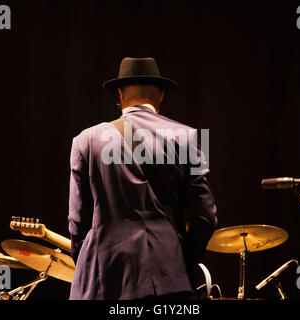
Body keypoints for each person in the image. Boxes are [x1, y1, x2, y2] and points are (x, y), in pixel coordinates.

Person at [68, 57, 217, 300]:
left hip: (102, 281)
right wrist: (181, 261)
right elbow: (206, 216)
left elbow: (77, 221)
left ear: (119, 94)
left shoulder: (85, 140)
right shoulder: (190, 137)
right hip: (167, 279)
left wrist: (89, 264)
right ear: (161, 96)